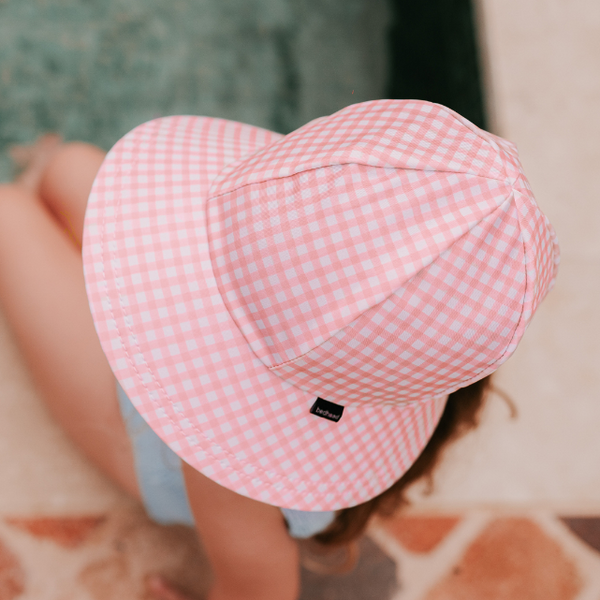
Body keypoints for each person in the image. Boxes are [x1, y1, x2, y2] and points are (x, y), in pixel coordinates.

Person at [0, 100, 559, 600]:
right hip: (247, 400)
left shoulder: (228, 465)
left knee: (10, 212)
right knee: (70, 168)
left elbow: (259, 589)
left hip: (147, 438)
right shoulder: (406, 363)